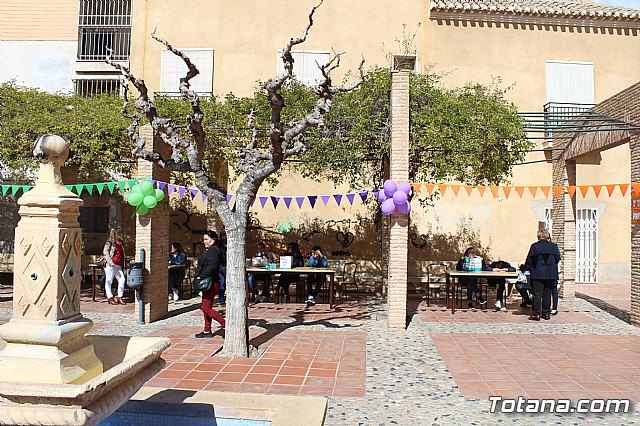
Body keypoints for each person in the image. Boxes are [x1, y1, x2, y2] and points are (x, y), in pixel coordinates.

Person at [194, 230, 226, 338]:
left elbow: (212, 266)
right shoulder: (213, 249)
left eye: (206, 239)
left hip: (211, 283)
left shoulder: (213, 251)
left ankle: (225, 324)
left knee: (205, 308)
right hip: (212, 282)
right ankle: (207, 330)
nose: (204, 241)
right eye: (204, 239)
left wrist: (201, 276)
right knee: (207, 307)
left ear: (213, 239)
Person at [525, 229, 561, 321]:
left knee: (537, 294)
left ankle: (536, 313)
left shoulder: (535, 246)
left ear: (538, 236)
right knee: (547, 293)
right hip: (551, 274)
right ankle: (546, 313)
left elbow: (529, 260)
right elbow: (557, 259)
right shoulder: (554, 246)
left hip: (538, 273)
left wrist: (528, 267)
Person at [103, 228, 126, 305]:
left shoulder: (120, 243)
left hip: (118, 264)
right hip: (111, 264)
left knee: (122, 279)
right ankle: (110, 297)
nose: (120, 234)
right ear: (114, 234)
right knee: (109, 280)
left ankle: (120, 296)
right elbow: (105, 252)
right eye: (118, 233)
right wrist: (110, 262)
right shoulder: (110, 242)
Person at [217, 233, 227, 306]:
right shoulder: (219, 244)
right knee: (222, 283)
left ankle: (222, 300)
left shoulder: (231, 242)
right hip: (221, 265)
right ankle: (221, 301)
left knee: (226, 283)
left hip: (227, 265)